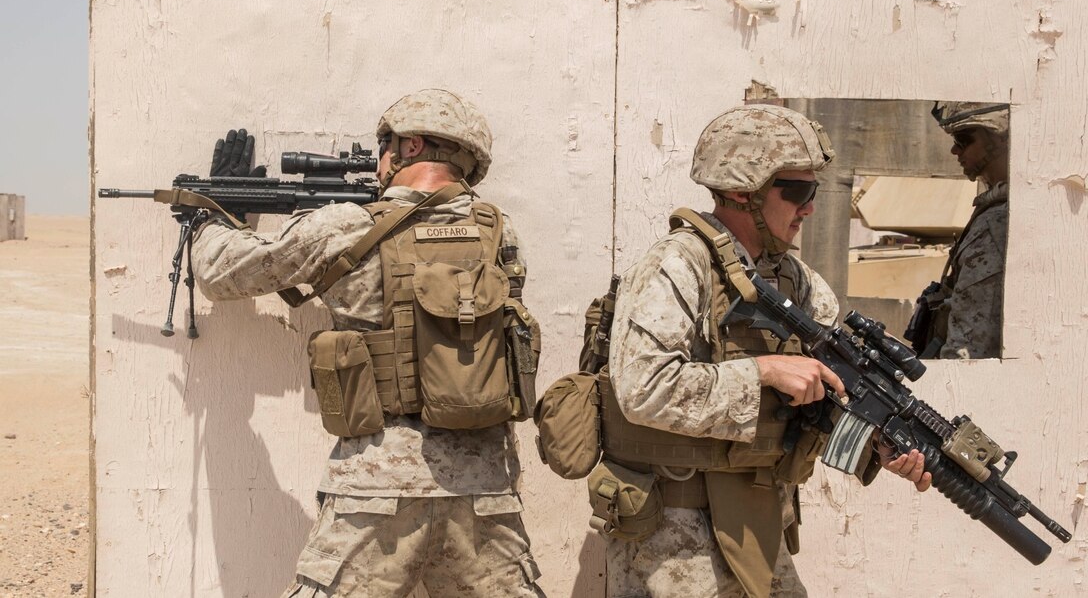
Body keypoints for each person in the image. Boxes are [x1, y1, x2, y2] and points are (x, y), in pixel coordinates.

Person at [191, 89, 545, 597]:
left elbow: (222, 273)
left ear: (411, 146)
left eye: (385, 147)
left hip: (374, 487)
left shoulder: (347, 226)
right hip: (483, 487)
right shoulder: (500, 233)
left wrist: (216, 209)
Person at [601, 104, 930, 598]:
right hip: (676, 540)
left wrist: (878, 444)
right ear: (741, 191)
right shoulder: (677, 264)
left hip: (760, 529)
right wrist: (762, 371)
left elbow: (829, 396)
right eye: (797, 191)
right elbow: (641, 389)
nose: (810, 208)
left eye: (813, 191)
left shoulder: (799, 282)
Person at [911, 102, 1009, 360]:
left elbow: (968, 348)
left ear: (1000, 138)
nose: (955, 149)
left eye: (963, 139)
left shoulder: (996, 223)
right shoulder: (994, 208)